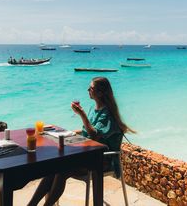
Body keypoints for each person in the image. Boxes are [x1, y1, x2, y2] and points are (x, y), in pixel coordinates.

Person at [27, 77, 135, 206]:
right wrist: (68, 133)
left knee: (62, 170)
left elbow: (94, 135)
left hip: (103, 160)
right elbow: (87, 130)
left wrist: (82, 114)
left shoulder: (107, 114)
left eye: (91, 88)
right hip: (89, 156)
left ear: (100, 93)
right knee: (54, 167)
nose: (88, 90)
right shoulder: (94, 109)